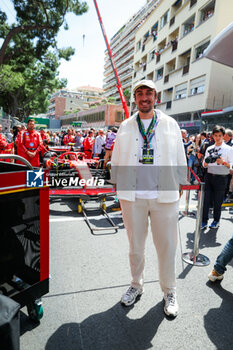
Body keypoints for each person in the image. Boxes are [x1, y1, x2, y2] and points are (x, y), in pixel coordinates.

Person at [111, 79, 187, 317]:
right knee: (135, 246)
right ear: (135, 98)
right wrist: (118, 187)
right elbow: (116, 158)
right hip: (132, 197)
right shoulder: (125, 125)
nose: (144, 98)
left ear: (156, 98)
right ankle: (136, 284)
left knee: (167, 247)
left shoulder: (170, 124)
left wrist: (180, 182)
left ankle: (169, 291)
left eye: (149, 93)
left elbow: (180, 155)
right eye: (140, 93)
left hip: (164, 195)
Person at [201, 125, 233, 230]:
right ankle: (204, 221)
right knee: (206, 200)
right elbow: (204, 163)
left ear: (223, 136)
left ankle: (216, 220)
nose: (217, 137)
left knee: (217, 201)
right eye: (215, 135)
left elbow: (231, 165)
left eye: (220, 135)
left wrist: (223, 162)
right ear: (213, 136)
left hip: (222, 177)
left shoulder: (229, 149)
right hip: (209, 176)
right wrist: (205, 163)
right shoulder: (209, 148)